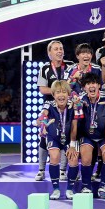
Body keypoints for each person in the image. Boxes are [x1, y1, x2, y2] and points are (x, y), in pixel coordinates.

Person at [35, 40, 73, 182]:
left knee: (65, 136)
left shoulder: (70, 66)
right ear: (49, 53)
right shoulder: (44, 68)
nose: (59, 51)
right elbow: (42, 89)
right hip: (50, 107)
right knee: (45, 136)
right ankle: (41, 170)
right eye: (56, 49)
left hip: (67, 106)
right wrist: (59, 91)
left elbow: (75, 84)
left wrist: (63, 93)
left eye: (61, 48)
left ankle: (63, 170)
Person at [72, 74, 105, 198]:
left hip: (103, 135)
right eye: (88, 84)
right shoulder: (80, 100)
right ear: (84, 87)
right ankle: (86, 186)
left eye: (94, 83)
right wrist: (73, 143)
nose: (91, 86)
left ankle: (103, 186)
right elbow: (74, 121)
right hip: (87, 136)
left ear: (99, 85)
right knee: (85, 157)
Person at [39, 80, 78, 200]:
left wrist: (72, 144)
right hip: (54, 137)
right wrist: (42, 123)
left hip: (69, 138)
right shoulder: (49, 104)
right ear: (53, 95)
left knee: (73, 159)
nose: (61, 95)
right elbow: (42, 116)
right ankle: (56, 189)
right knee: (54, 156)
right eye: (58, 92)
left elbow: (74, 126)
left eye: (64, 92)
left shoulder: (73, 105)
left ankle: (70, 189)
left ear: (68, 94)